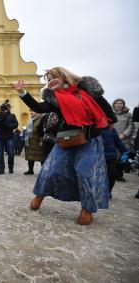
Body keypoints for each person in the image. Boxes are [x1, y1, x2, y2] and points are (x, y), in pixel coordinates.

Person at [12, 67, 115, 225]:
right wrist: (21, 92)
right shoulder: (54, 98)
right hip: (66, 139)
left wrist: (102, 124)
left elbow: (106, 110)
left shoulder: (87, 91)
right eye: (48, 79)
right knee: (51, 171)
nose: (51, 81)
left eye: (54, 77)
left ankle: (87, 210)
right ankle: (39, 197)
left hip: (89, 140)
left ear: (64, 77)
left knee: (85, 172)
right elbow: (39, 108)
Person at [100, 122, 128, 199]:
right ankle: (98, 191)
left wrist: (124, 152)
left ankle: (108, 191)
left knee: (111, 175)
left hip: (110, 156)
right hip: (97, 157)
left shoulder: (111, 129)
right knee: (98, 175)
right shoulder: (93, 129)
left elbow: (118, 141)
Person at [0, 102, 18, 174]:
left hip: (9, 137)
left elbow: (16, 125)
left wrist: (8, 125)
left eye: (6, 109)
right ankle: (1, 169)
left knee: (11, 153)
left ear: (8, 109)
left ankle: (11, 168)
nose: (4, 110)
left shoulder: (12, 116)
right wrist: (2, 118)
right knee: (0, 155)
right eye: (2, 109)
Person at [112, 98, 134, 182]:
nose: (119, 104)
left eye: (121, 103)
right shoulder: (111, 113)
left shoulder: (129, 115)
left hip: (124, 139)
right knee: (113, 158)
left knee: (122, 159)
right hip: (113, 138)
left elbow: (131, 126)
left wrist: (124, 135)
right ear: (114, 105)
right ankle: (114, 175)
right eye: (117, 103)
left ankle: (119, 174)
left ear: (123, 105)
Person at [23, 110, 44, 175]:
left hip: (37, 141)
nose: (31, 112)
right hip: (30, 141)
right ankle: (30, 170)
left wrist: (41, 141)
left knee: (41, 156)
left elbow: (42, 131)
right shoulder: (31, 120)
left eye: (33, 111)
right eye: (30, 111)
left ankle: (43, 170)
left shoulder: (41, 119)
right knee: (30, 156)